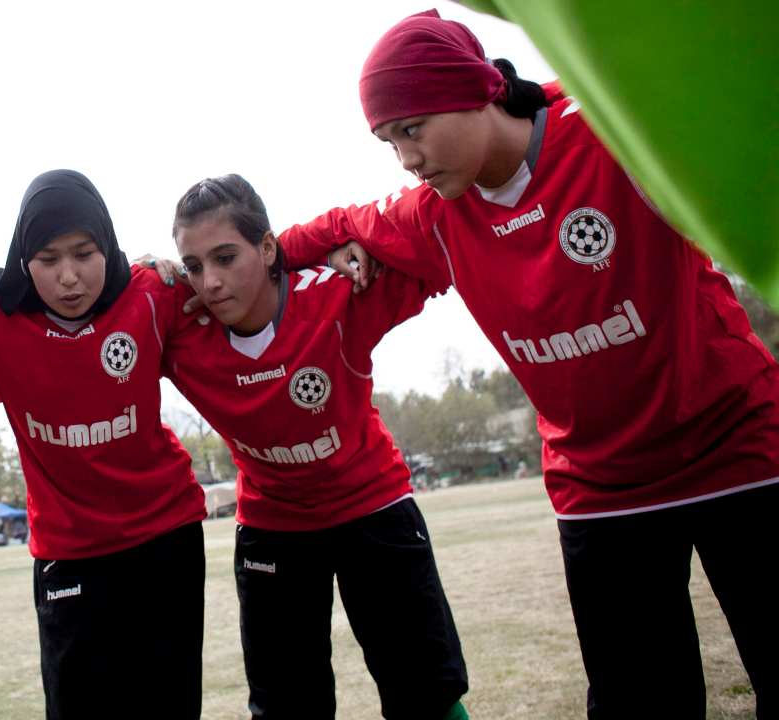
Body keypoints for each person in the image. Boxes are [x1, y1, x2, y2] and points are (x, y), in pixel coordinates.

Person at [279, 10, 779, 718]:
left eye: (412, 129)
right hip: (603, 493)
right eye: (389, 142)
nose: (407, 160)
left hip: (742, 453)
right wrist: (318, 250)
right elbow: (323, 229)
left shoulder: (609, 133)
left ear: (474, 90)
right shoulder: (432, 217)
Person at [165, 174, 469, 720]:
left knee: (425, 692)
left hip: (373, 510)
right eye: (193, 266)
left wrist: (316, 241)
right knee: (286, 706)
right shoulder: (181, 328)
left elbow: (438, 244)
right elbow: (99, 305)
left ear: (265, 247)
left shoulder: (340, 293)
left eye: (226, 257)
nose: (209, 282)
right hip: (273, 527)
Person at [0, 169, 206, 719]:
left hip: (167, 537)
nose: (69, 277)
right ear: (24, 260)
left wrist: (333, 251)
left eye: (84, 253)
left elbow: (245, 264)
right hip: (69, 554)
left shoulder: (152, 293)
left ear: (108, 247)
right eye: (47, 260)